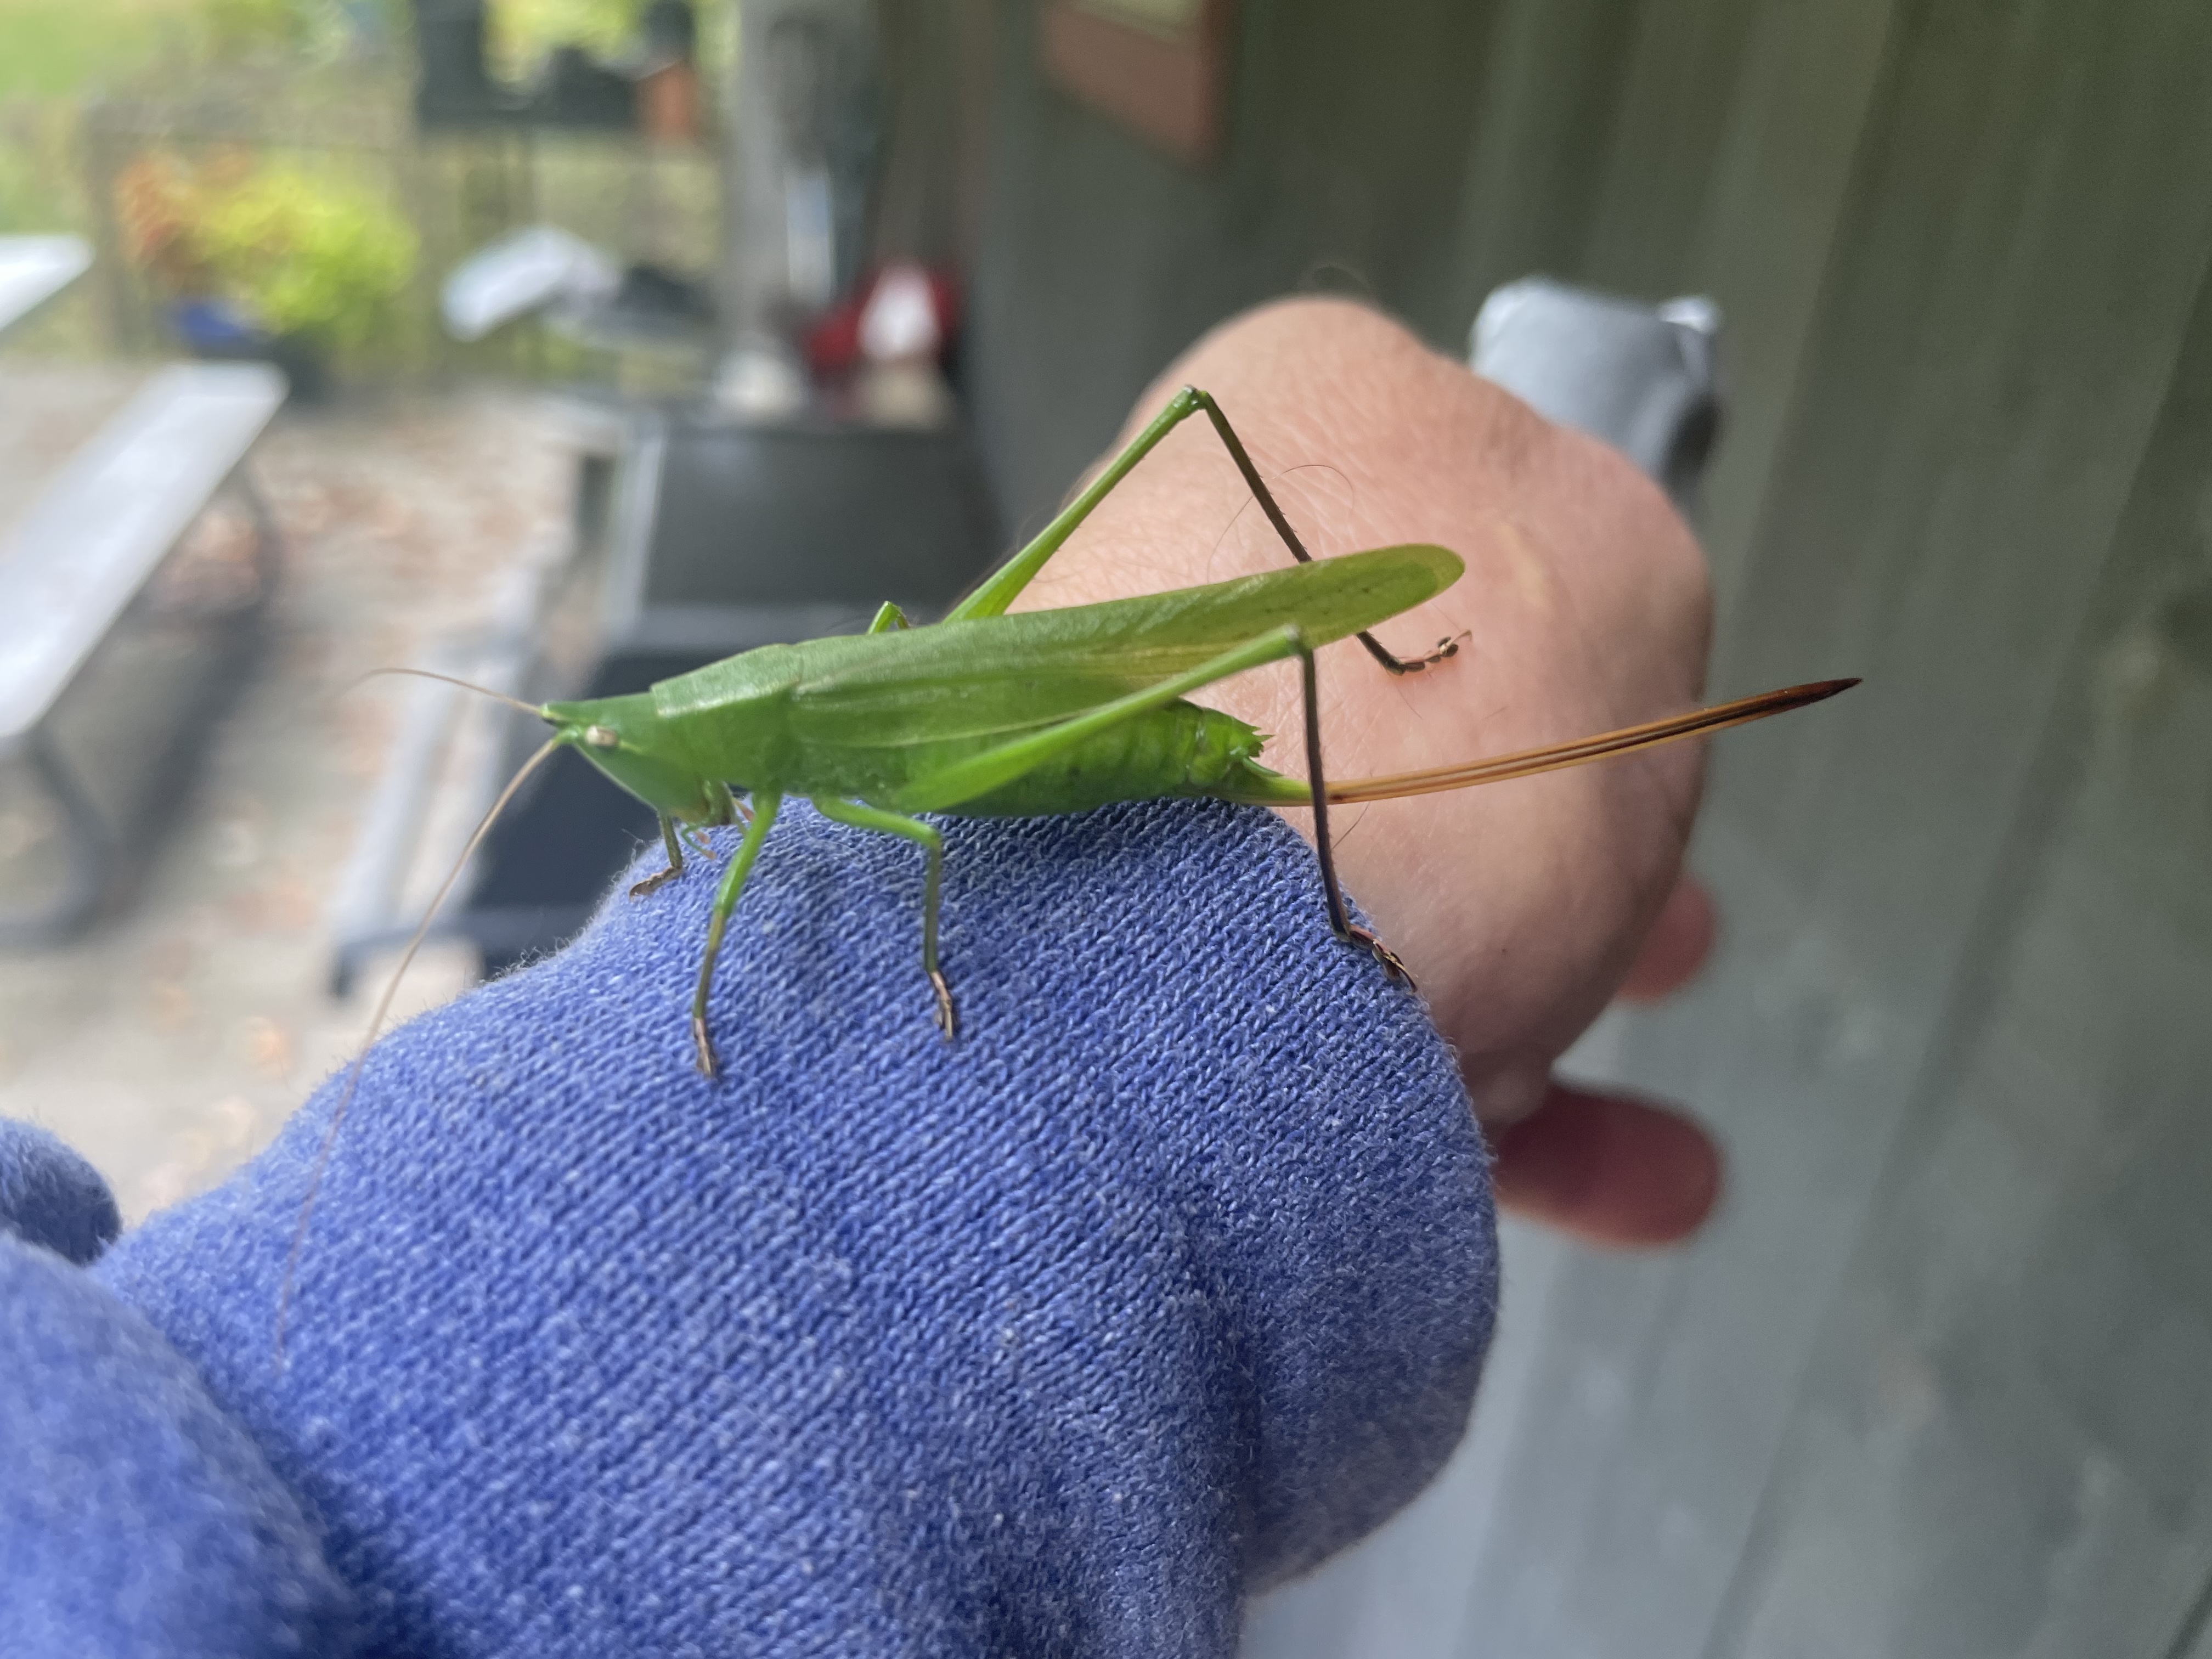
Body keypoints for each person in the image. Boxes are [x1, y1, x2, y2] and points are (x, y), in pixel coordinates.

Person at [0, 298, 1720, 1656]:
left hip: (1044, 751)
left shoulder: (748, 753)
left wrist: (871, 954)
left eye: (624, 752)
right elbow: (735, 808)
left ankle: (1349, 634)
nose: (626, 769)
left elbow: (814, 813)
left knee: (1016, 613)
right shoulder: (706, 760)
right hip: (937, 758)